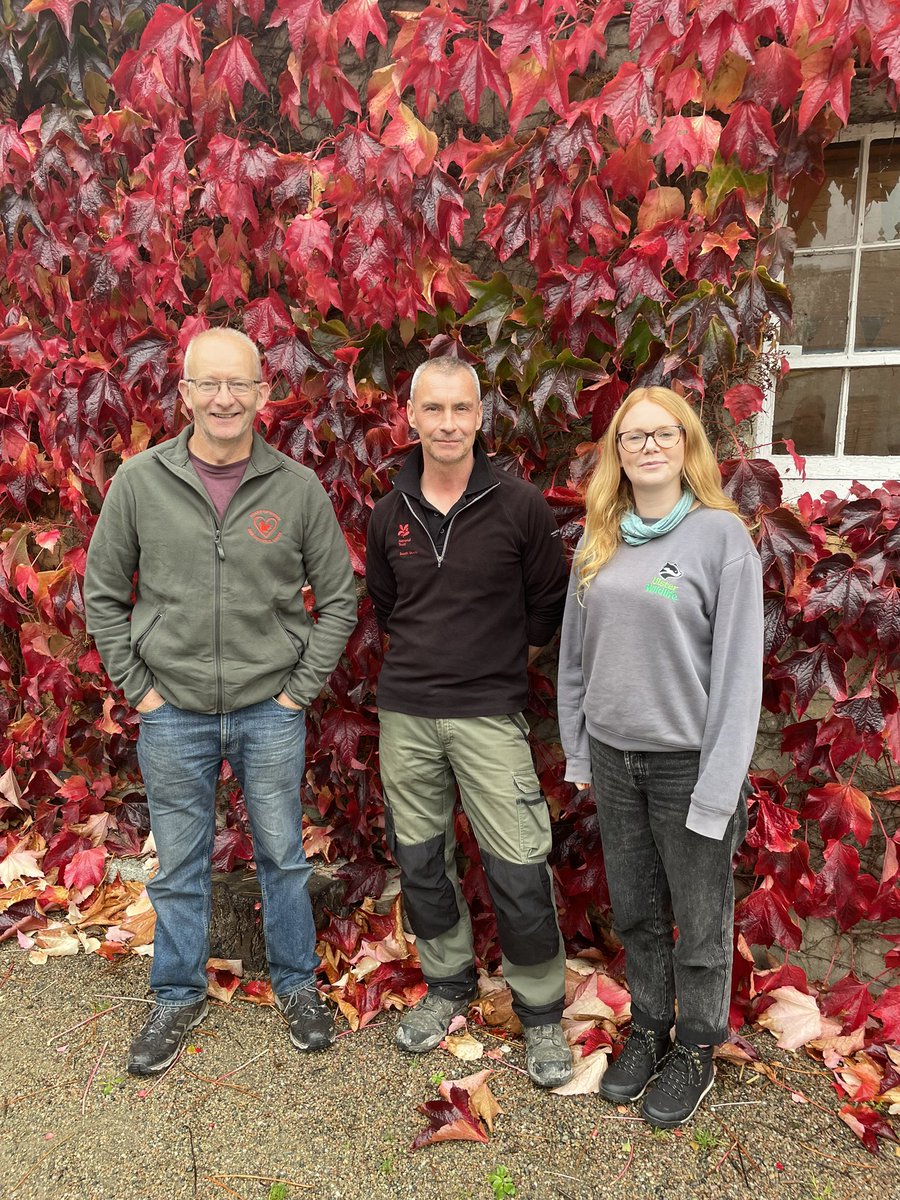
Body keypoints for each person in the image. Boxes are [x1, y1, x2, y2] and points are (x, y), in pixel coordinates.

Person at [84, 328, 357, 1075]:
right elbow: (102, 596)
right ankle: (176, 993)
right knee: (177, 864)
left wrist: (298, 691)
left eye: (239, 385)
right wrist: (140, 690)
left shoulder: (297, 489)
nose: (225, 399)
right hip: (172, 712)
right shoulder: (140, 482)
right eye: (209, 385)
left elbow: (338, 600)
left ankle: (297, 984)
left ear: (263, 394)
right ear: (186, 395)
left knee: (281, 855)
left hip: (269, 711)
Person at [557, 386, 763, 1128]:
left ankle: (697, 1048)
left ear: (687, 446)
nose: (648, 446)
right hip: (617, 761)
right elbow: (575, 664)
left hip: (687, 765)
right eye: (632, 436)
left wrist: (717, 789)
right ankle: (648, 1027)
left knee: (701, 923)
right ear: (617, 451)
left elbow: (741, 679)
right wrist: (580, 751)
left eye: (663, 434)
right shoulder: (599, 536)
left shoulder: (721, 539)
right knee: (638, 912)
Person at [365, 357, 573, 1088]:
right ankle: (448, 984)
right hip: (408, 716)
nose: (448, 423)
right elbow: (389, 608)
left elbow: (550, 602)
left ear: (480, 417)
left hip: (488, 716)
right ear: (412, 417)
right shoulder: (388, 514)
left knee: (518, 867)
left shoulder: (519, 506)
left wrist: (497, 659)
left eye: (462, 409)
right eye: (434, 409)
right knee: (421, 862)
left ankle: (542, 1013)